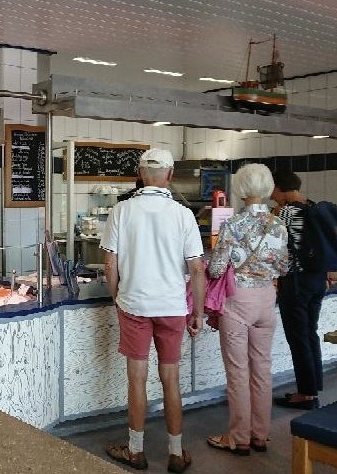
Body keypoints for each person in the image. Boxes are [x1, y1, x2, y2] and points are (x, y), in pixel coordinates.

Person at [101, 148, 205, 473]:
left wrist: (117, 296)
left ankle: (135, 451)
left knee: (137, 379)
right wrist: (198, 311)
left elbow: (109, 264)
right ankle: (175, 452)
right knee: (171, 379)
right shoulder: (183, 215)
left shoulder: (121, 211)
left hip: (134, 305)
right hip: (172, 307)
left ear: (140, 173)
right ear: (170, 175)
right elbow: (197, 269)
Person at [204, 164, 289, 455]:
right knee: (262, 368)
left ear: (240, 188)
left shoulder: (233, 224)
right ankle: (260, 435)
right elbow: (283, 267)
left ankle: (239, 438)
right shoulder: (278, 225)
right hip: (267, 300)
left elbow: (217, 269)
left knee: (238, 371)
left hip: (237, 301)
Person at [270, 171, 337, 410]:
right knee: (310, 333)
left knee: (298, 337)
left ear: (279, 188)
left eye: (272, 190)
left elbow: (275, 247)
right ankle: (312, 387)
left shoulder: (286, 213)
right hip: (317, 279)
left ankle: (306, 395)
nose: (271, 195)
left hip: (296, 282)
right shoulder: (314, 207)